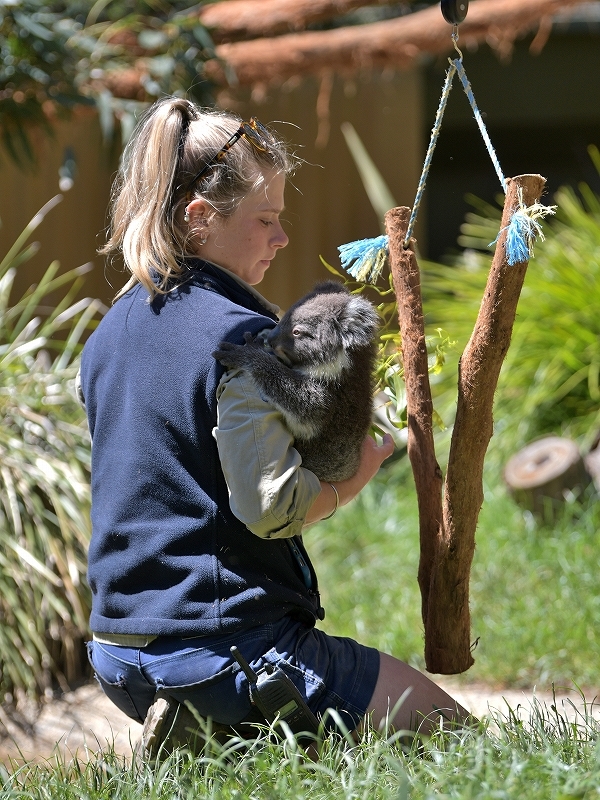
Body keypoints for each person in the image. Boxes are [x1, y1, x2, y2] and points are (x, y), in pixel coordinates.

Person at [79, 97, 470, 753]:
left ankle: (211, 740)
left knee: (302, 748)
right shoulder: (240, 337)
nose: (282, 238)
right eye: (267, 220)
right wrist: (359, 472)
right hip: (221, 646)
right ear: (200, 219)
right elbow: (270, 508)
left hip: (118, 654)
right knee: (455, 734)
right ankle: (219, 713)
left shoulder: (107, 335)